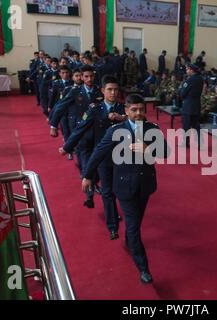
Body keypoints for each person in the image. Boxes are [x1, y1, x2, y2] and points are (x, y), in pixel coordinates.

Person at [82, 94, 170, 284]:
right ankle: (143, 267)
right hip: (124, 185)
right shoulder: (116, 131)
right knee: (132, 225)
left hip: (146, 184)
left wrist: (149, 148)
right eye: (134, 110)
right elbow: (98, 153)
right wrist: (88, 176)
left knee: (136, 223)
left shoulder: (152, 129)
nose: (138, 113)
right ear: (126, 110)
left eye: (141, 109)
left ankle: (130, 241)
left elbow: (165, 152)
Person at [60, 76, 127, 240]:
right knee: (107, 192)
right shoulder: (95, 109)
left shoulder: (124, 108)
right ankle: (112, 226)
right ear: (103, 91)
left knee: (119, 189)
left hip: (122, 156)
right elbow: (80, 129)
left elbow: (138, 124)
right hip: (103, 157)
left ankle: (112, 211)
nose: (113, 93)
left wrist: (123, 118)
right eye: (109, 89)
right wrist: (67, 147)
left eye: (115, 90)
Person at [50, 65, 103, 208]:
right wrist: (53, 125)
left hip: (98, 132)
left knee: (97, 162)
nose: (89, 79)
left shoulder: (100, 91)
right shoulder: (75, 92)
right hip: (82, 133)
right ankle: (89, 195)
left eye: (91, 76)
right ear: (82, 77)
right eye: (86, 76)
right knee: (85, 161)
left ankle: (93, 182)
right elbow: (60, 107)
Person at [178, 64, 204, 147]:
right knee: (196, 126)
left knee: (186, 126)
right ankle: (200, 143)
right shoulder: (201, 79)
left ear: (192, 70)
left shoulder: (189, 80)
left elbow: (182, 93)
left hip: (188, 106)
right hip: (196, 105)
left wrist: (181, 88)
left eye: (187, 69)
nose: (186, 71)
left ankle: (185, 143)